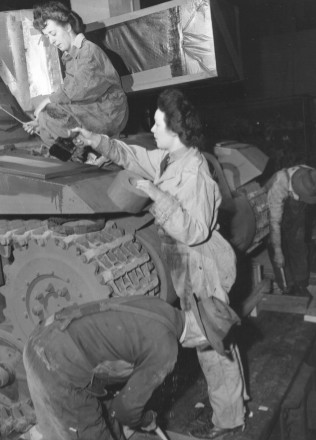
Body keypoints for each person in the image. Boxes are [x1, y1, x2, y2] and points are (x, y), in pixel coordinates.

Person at [70, 88, 248, 439]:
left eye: (156, 122)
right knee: (216, 337)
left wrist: (155, 194)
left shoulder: (193, 171)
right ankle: (236, 402)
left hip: (201, 264)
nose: (151, 128)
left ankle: (230, 422)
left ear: (176, 129)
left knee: (211, 344)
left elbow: (194, 230)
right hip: (186, 266)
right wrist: (98, 141)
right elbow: (134, 155)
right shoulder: (170, 159)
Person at [23, 295, 241, 440]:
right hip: (55, 364)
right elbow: (125, 409)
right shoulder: (166, 348)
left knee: (100, 416)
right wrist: (145, 419)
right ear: (202, 338)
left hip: (43, 336)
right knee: (86, 430)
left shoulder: (162, 307)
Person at [23, 1, 128, 150]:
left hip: (109, 113)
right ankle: (90, 155)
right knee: (46, 133)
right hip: (91, 110)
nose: (51, 41)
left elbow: (76, 91)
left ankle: (101, 148)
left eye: (53, 34)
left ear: (67, 26)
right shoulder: (70, 56)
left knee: (47, 114)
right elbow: (69, 97)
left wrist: (46, 102)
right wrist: (41, 123)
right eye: (47, 37)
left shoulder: (88, 51)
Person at [266, 165, 316, 297]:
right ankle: (286, 286)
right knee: (279, 250)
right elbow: (274, 223)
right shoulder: (278, 186)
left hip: (296, 211)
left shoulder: (310, 174)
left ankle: (301, 284)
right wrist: (278, 251)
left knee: (299, 245)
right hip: (275, 211)